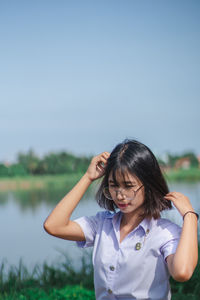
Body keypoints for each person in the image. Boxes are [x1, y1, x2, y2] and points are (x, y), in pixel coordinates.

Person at [44, 139, 198, 300]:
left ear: (148, 184)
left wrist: (190, 217)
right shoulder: (101, 224)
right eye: (113, 185)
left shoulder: (165, 232)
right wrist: (88, 177)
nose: (120, 195)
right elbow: (53, 226)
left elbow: (182, 272)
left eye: (129, 186)